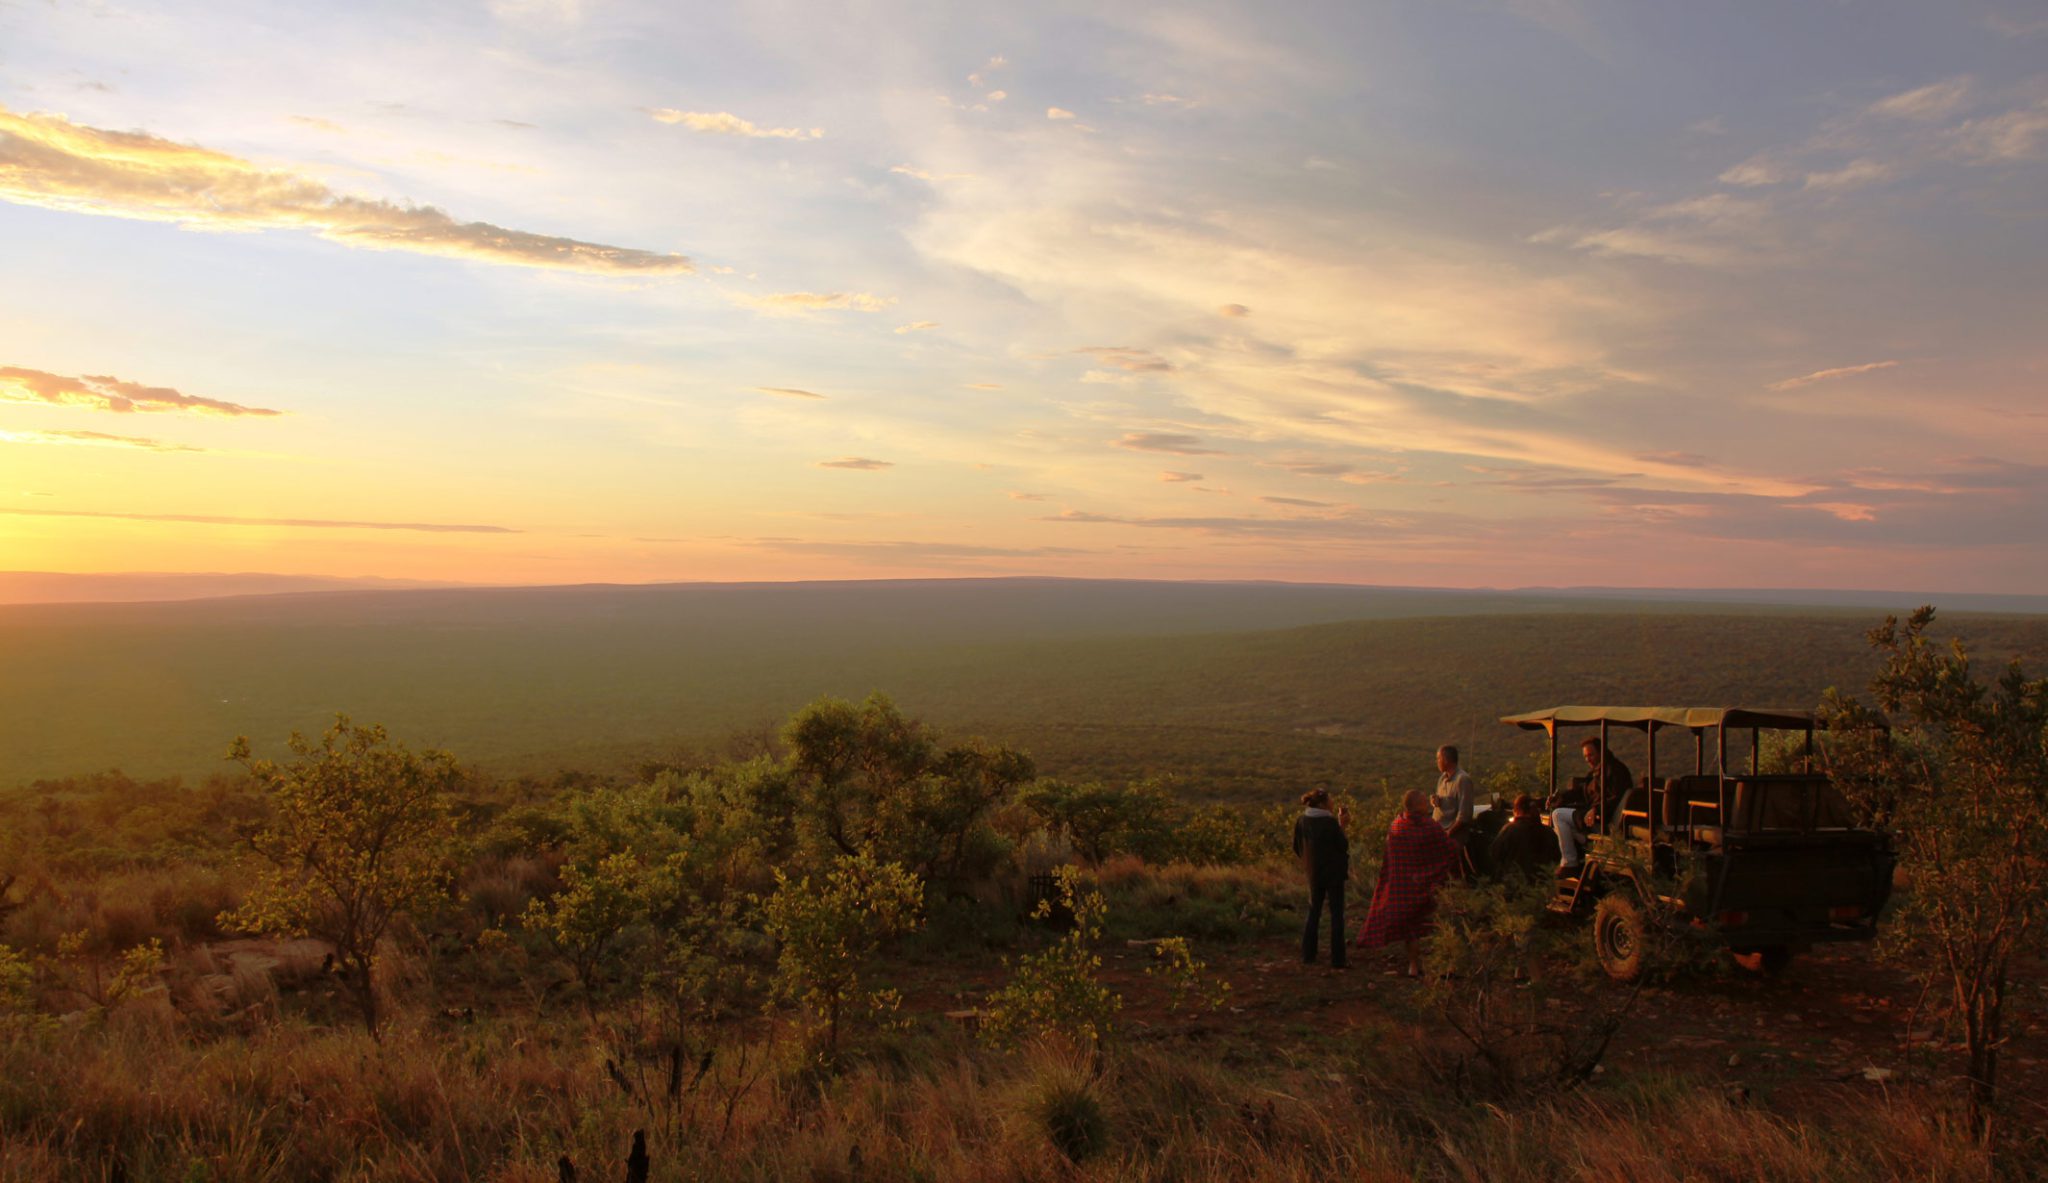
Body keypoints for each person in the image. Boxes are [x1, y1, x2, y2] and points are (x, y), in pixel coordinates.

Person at [1354, 789, 1460, 977]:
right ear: (1418, 805)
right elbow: (1448, 850)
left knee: (1411, 929)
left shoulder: (1396, 825)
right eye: (1423, 801)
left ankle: (1413, 965)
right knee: (1436, 923)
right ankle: (1444, 964)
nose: (1427, 804)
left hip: (1403, 887)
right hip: (1426, 886)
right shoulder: (1430, 827)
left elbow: (1391, 857)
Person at [1551, 737, 1634, 875]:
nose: (1587, 759)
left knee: (1558, 815)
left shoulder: (1614, 770)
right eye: (1585, 756)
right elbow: (1582, 792)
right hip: (1595, 814)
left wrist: (1597, 809)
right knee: (1561, 818)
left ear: (1601, 752)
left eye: (1591, 755)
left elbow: (1615, 798)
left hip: (1603, 819)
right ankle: (1582, 840)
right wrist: (1561, 797)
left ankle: (1570, 863)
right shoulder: (1597, 771)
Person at [1291, 787, 1351, 969]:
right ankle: (1338, 959)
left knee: (1313, 911)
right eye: (1331, 801)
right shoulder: (1330, 823)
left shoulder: (1302, 821)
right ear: (1324, 804)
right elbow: (1343, 845)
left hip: (1313, 874)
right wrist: (1343, 826)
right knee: (1336, 915)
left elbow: (1296, 847)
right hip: (1333, 874)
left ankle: (1308, 954)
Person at [1488, 794, 1561, 882]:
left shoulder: (1509, 830)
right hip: (1542, 886)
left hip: (1515, 885)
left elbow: (1494, 854)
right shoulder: (1549, 833)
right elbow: (1557, 858)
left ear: (1517, 811)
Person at [1431, 745, 1476, 839]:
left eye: (1438, 758)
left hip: (1452, 836)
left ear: (1446, 760)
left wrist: (1449, 832)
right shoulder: (1443, 778)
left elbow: (1464, 814)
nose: (1437, 762)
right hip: (1439, 832)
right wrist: (1436, 801)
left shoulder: (1462, 780)